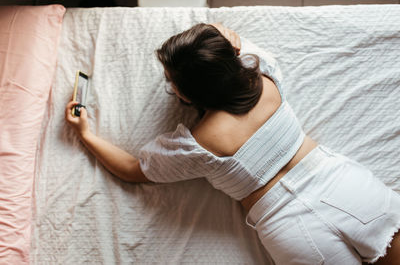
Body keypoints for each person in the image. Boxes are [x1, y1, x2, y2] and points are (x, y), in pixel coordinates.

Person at [65, 23, 400, 264]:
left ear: (187, 94)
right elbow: (228, 36)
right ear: (231, 61)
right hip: (342, 185)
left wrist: (86, 134)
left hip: (290, 225)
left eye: (171, 80)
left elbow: (133, 170)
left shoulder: (197, 145)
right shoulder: (266, 77)